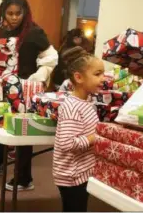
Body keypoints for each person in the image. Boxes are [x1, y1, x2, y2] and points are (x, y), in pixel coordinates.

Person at [0, 0, 58, 191]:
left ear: (25, 13)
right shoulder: (2, 32)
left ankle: (24, 178)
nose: (14, 17)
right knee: (0, 127)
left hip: (24, 90)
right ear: (3, 14)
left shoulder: (34, 32)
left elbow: (51, 57)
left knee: (22, 133)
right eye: (10, 13)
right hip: (1, 88)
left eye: (18, 13)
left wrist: (38, 77)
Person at [53, 46, 104, 212]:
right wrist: (94, 138)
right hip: (72, 176)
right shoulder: (72, 107)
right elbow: (67, 143)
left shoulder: (87, 102)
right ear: (78, 77)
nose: (103, 79)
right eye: (97, 74)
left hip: (82, 171)